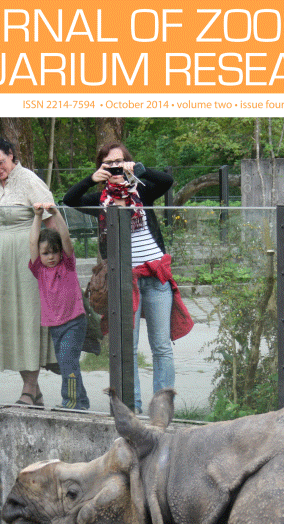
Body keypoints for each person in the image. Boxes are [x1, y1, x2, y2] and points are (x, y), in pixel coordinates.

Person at [63, 143, 193, 413]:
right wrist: (91, 179)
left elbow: (167, 180)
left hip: (155, 275)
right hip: (123, 279)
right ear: (101, 167)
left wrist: (138, 170)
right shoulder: (99, 201)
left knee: (161, 346)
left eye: (121, 161)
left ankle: (162, 408)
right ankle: (131, 408)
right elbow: (70, 199)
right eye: (110, 163)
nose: (116, 167)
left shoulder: (142, 190)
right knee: (127, 348)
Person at [0, 135, 60, 406]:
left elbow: (53, 221)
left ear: (11, 154)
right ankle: (32, 389)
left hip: (27, 256)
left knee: (28, 319)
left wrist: (55, 263)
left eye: (0, 163)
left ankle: (29, 387)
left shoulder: (30, 180)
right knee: (9, 321)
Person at [29, 203, 90, 410]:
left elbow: (65, 239)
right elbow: (32, 242)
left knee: (67, 361)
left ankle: (71, 401)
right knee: (68, 363)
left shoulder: (67, 264)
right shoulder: (39, 270)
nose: (51, 257)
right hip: (55, 326)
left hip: (74, 322)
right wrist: (37, 217)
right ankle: (80, 401)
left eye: (54, 252)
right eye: (45, 253)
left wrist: (55, 213)